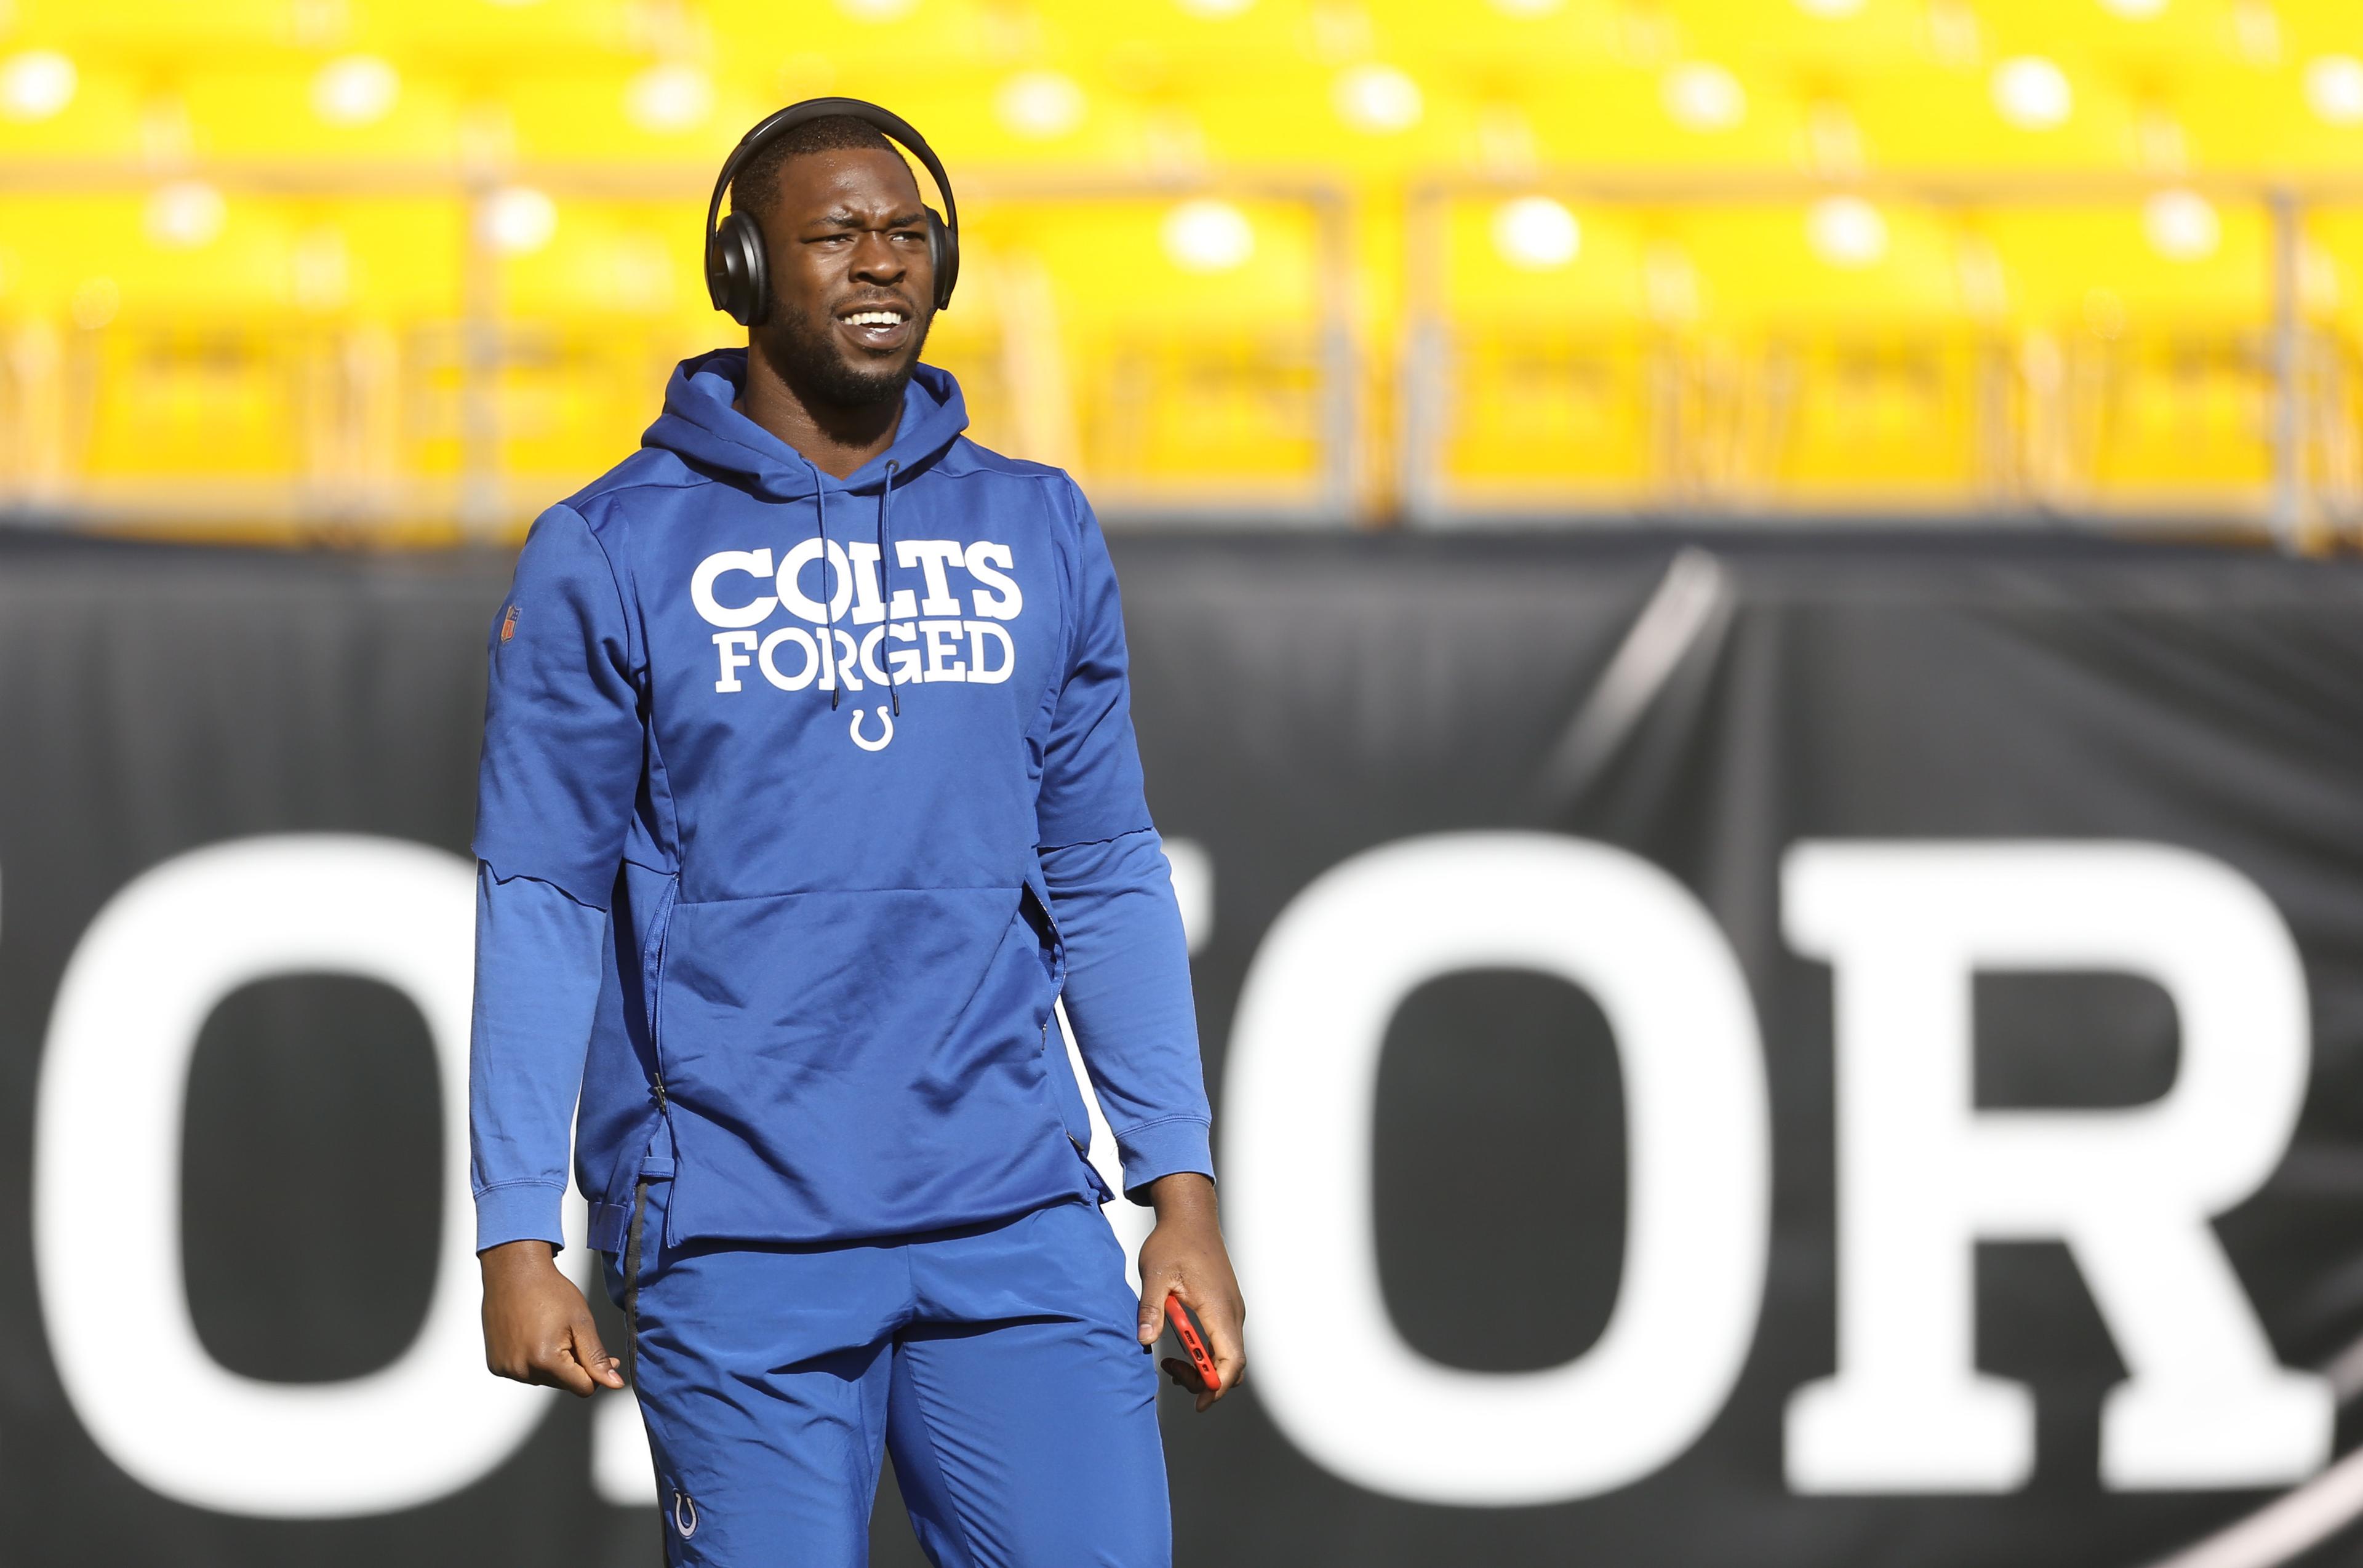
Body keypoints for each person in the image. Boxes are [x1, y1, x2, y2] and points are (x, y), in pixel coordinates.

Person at [467, 100, 1243, 1567]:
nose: (881, 264)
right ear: (745, 267)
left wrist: (1179, 1193)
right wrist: (520, 1230)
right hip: (736, 1231)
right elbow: (543, 896)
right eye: (836, 235)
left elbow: (1103, 872)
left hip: (1013, 1214)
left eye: (910, 237)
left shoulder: (1041, 527)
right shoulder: (609, 548)